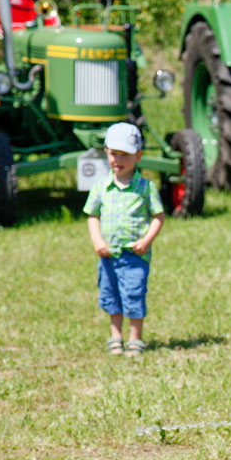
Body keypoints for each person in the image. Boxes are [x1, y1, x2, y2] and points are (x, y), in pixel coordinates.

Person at [83, 122, 165, 358]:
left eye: (125, 155)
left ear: (138, 156)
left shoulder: (145, 187)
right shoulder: (101, 187)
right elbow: (92, 215)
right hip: (108, 254)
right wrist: (98, 241)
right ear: (106, 153)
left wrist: (146, 241)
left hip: (134, 255)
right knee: (111, 295)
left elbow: (158, 216)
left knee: (134, 293)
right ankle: (116, 335)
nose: (118, 160)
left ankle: (135, 338)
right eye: (113, 154)